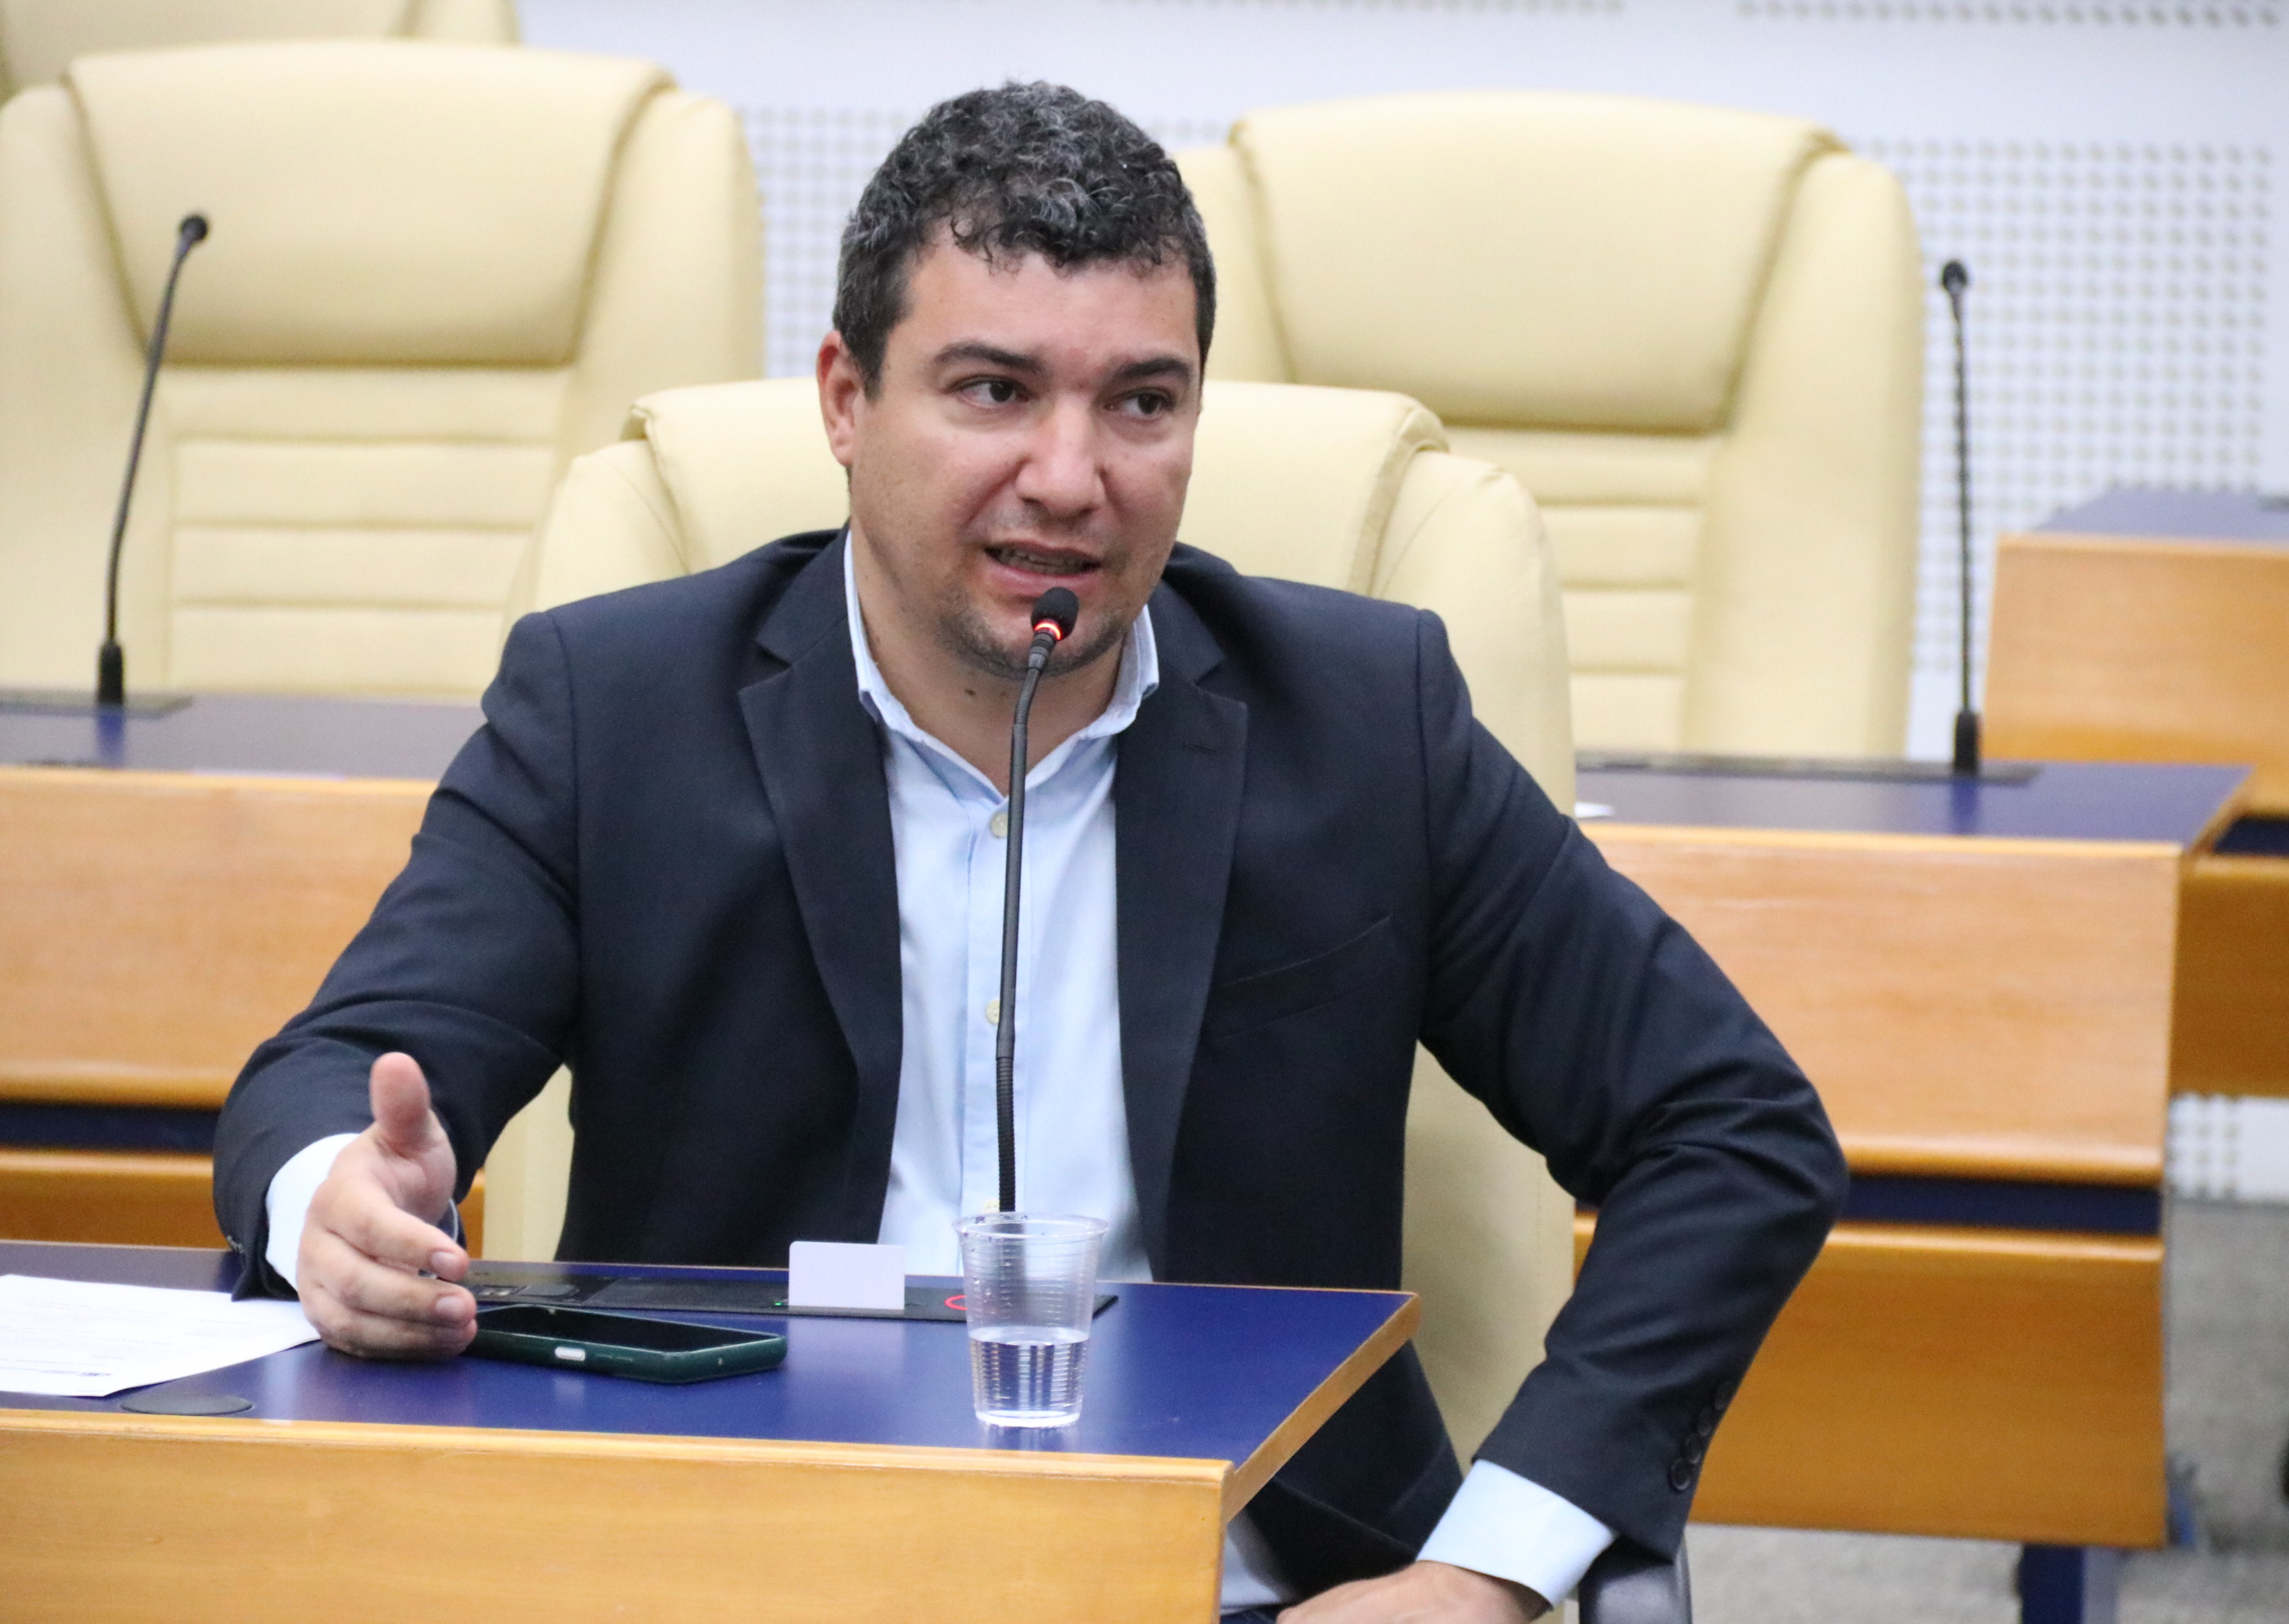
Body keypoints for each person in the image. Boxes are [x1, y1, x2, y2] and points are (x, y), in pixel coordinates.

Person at [212, 83, 1842, 1622]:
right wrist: (332, 1199)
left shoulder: (1361, 724)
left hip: (1241, 1583)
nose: (1070, 480)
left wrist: (1489, 1567)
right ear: (847, 401)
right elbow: (329, 1077)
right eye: (994, 390)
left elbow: (1730, 1125)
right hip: (734, 1571)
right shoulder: (618, 708)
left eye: (1142, 402)